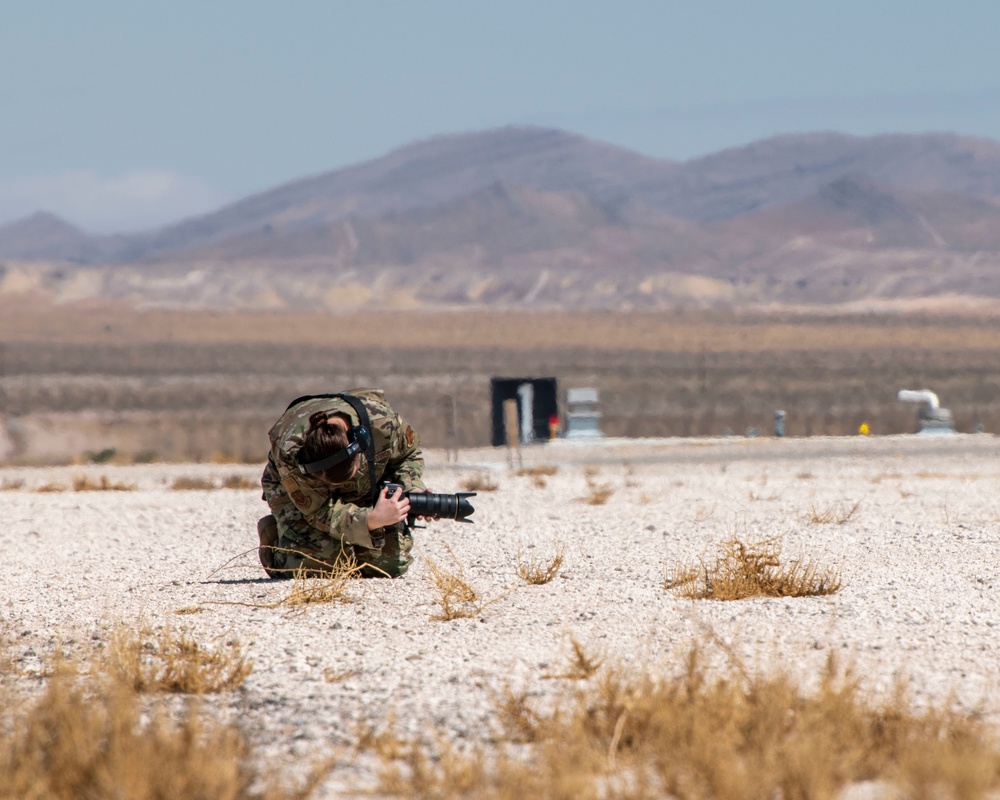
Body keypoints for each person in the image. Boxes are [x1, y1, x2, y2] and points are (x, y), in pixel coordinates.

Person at [257, 388, 426, 579]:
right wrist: (371, 520)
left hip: (363, 487)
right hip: (301, 495)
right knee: (318, 565)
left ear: (359, 451)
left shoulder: (383, 424)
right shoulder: (288, 449)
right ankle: (276, 541)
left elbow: (408, 455)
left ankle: (344, 541)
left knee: (389, 565)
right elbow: (319, 511)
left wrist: (412, 488)